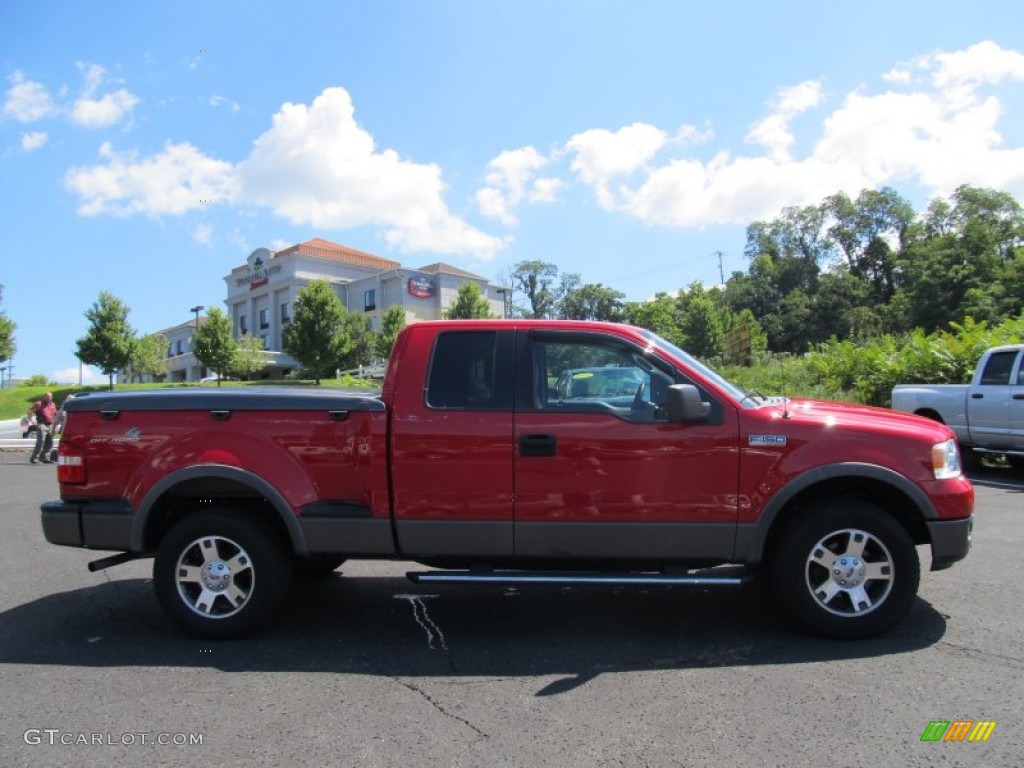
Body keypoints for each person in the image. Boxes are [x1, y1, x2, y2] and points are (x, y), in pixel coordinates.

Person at [28, 392, 58, 464]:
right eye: (47, 397)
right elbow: (30, 411)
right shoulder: (39, 404)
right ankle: (34, 458)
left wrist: (55, 424)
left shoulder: (53, 404)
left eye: (50, 397)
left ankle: (44, 457)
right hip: (42, 424)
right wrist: (32, 420)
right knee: (41, 441)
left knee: (50, 442)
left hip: (50, 424)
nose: (49, 398)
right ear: (44, 397)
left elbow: (56, 414)